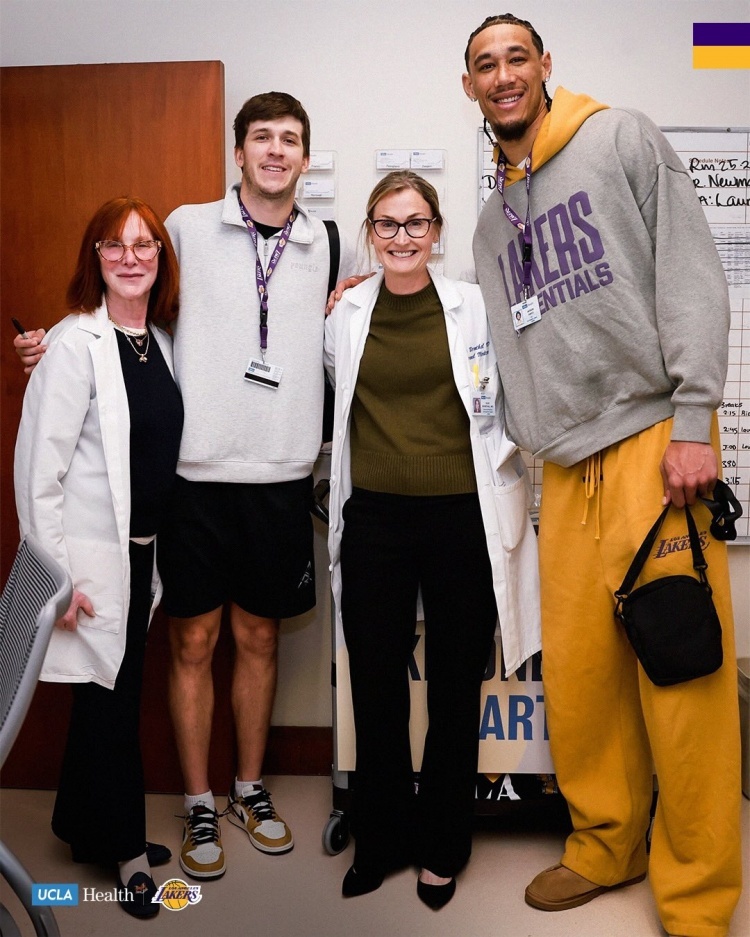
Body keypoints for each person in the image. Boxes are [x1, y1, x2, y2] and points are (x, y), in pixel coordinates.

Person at [15, 92, 356, 880]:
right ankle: (200, 799)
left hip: (280, 479)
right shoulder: (188, 229)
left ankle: (249, 789)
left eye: (290, 139)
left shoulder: (327, 242)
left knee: (260, 641)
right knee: (192, 643)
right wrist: (55, 342)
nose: (276, 150)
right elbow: (132, 314)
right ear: (238, 153)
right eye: (261, 137)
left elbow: (341, 330)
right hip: (194, 484)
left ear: (306, 158)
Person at [463, 14, 742, 937]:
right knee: (582, 681)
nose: (503, 74)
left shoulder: (620, 137)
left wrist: (694, 421)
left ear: (545, 65)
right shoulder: (491, 224)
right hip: (562, 470)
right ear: (470, 88)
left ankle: (698, 895)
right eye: (485, 64)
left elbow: (692, 277)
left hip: (654, 445)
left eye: (516, 57)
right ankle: (605, 842)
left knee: (683, 673)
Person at [324, 170, 540, 908]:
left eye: (416, 223)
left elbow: (513, 388)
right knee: (374, 683)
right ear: (370, 232)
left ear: (437, 231)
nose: (402, 237)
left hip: (460, 518)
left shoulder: (474, 306)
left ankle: (442, 848)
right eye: (387, 224)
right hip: (375, 520)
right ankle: (381, 837)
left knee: (454, 688)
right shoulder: (346, 313)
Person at [14, 197, 183, 918]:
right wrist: (58, 580)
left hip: (142, 556)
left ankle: (81, 827)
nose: (130, 258)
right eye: (114, 245)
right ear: (96, 258)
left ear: (161, 259)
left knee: (109, 697)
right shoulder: (73, 344)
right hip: (90, 564)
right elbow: (38, 472)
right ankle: (126, 852)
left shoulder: (161, 342)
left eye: (145, 245)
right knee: (111, 708)